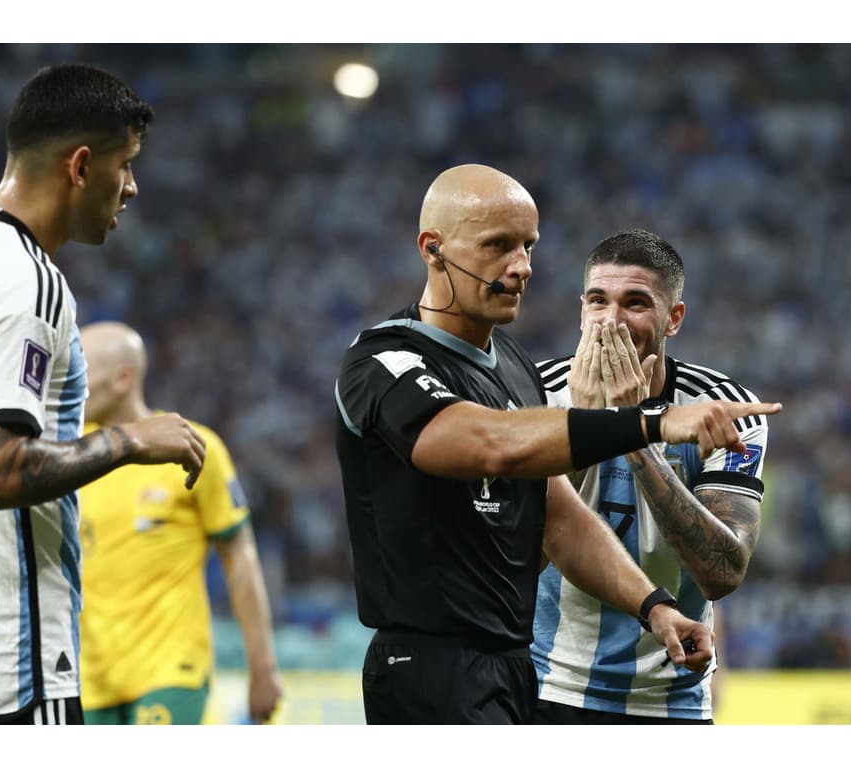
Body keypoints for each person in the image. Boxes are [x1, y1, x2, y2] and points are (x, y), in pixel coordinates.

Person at [334, 164, 781, 724]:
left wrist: (655, 607)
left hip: (528, 671)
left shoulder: (517, 371)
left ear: (674, 318)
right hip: (439, 664)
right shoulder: (386, 358)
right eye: (498, 245)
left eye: (527, 247)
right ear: (433, 249)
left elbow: (556, 518)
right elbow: (489, 445)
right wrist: (645, 423)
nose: (521, 267)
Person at [0, 64, 206, 724]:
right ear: (81, 166)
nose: (133, 188)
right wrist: (130, 439)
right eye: (127, 165)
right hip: (11, 665)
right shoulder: (26, 278)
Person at [532, 229, 768, 724]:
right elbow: (510, 559)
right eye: (599, 300)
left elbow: (722, 572)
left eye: (635, 302)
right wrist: (583, 430)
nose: (612, 320)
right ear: (581, 309)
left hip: (672, 700)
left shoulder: (724, 411)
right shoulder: (533, 395)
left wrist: (630, 428)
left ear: (673, 318)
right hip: (546, 687)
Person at [77, 321, 284, 725]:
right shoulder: (71, 457)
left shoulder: (189, 446)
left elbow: (240, 557)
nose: (70, 386)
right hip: (90, 679)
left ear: (123, 378)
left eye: (81, 374)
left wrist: (263, 669)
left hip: (169, 670)